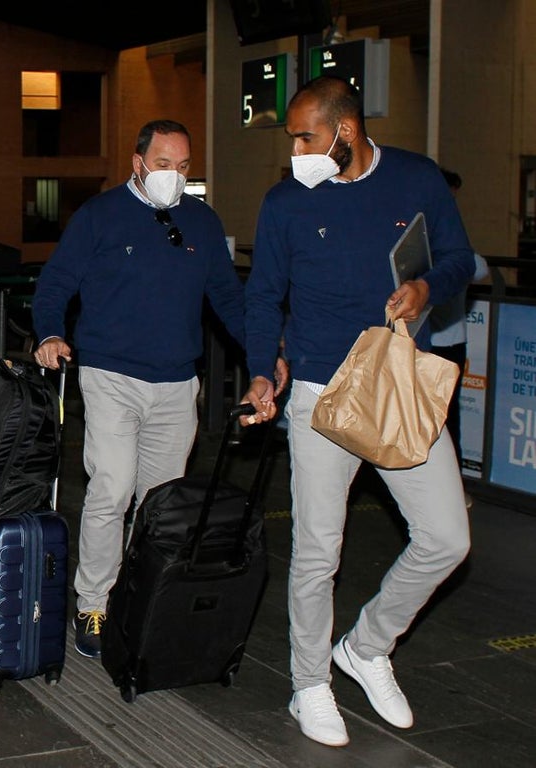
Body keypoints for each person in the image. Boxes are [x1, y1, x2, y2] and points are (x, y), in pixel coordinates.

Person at [240, 75, 475, 748]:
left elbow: (460, 257)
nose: (297, 152)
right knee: (318, 550)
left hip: (396, 383)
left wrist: (427, 285)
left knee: (447, 538)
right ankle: (309, 683)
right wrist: (262, 370)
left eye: (306, 137)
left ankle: (367, 647)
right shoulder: (285, 203)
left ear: (345, 132)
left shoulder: (416, 179)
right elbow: (265, 295)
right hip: (319, 390)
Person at [31, 119, 286, 658]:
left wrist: (264, 361)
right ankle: (93, 603)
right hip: (110, 376)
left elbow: (230, 302)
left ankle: (139, 595)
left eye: (184, 166)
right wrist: (51, 332)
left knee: (160, 504)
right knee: (112, 488)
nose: (174, 175)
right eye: (164, 164)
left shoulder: (201, 222)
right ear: (138, 162)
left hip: (175, 385)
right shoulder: (100, 216)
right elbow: (55, 283)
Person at [429, 168, 489, 507]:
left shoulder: (448, 240)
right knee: (433, 418)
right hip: (427, 344)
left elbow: (476, 266)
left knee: (445, 418)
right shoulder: (427, 233)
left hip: (446, 343)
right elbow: (474, 266)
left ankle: (448, 489)